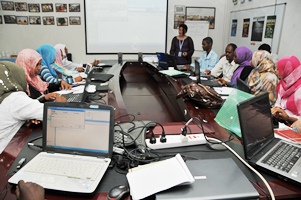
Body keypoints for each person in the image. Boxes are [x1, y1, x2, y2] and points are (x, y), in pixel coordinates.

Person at [0, 61, 66, 154]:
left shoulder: (4, 96)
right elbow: (56, 116)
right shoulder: (14, 99)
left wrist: (31, 115)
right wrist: (59, 104)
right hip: (5, 154)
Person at [271, 55, 301, 125]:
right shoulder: (282, 83)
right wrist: (277, 109)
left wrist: (288, 118)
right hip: (282, 123)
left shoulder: (299, 90)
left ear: (287, 71)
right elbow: (279, 102)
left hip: (295, 128)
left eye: (278, 69)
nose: (275, 71)